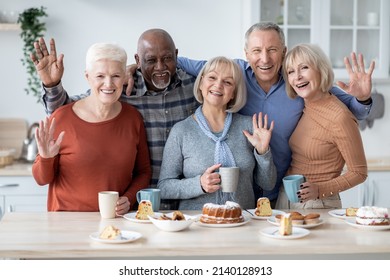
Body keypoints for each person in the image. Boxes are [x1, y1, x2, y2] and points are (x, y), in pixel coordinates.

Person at [177, 22, 374, 207]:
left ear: (283, 52)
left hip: (286, 191)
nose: (265, 58)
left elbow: (350, 107)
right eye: (256, 51)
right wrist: (148, 59)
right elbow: (186, 64)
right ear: (246, 54)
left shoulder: (299, 84)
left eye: (272, 49)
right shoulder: (233, 73)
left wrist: (363, 98)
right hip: (245, 194)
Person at [34, 29, 199, 210]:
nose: (160, 67)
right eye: (151, 60)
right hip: (129, 209)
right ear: (138, 61)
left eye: (167, 58)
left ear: (176, 55)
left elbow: (224, 86)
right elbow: (70, 110)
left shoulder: (195, 87)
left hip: (177, 202)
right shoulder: (122, 89)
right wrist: (52, 85)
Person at [31, 43, 151, 214]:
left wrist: (129, 198)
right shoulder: (61, 117)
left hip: (114, 223)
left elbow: (143, 172)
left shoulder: (133, 118)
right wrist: (45, 158)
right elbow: (41, 179)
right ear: (87, 77)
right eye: (100, 76)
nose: (108, 84)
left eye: (116, 75)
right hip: (65, 223)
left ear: (125, 76)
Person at [157, 56, 276, 210]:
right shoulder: (181, 131)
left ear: (233, 93)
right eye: (212, 77)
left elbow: (267, 183)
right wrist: (198, 184)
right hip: (197, 225)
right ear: (200, 83)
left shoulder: (249, 127)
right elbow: (164, 187)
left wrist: (263, 152)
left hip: (240, 223)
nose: (218, 85)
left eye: (227, 82)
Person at [276, 43, 368, 209]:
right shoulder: (306, 104)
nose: (297, 76)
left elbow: (359, 173)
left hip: (317, 203)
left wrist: (320, 190)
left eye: (304, 68)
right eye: (290, 71)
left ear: (321, 69)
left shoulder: (339, 117)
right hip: (287, 198)